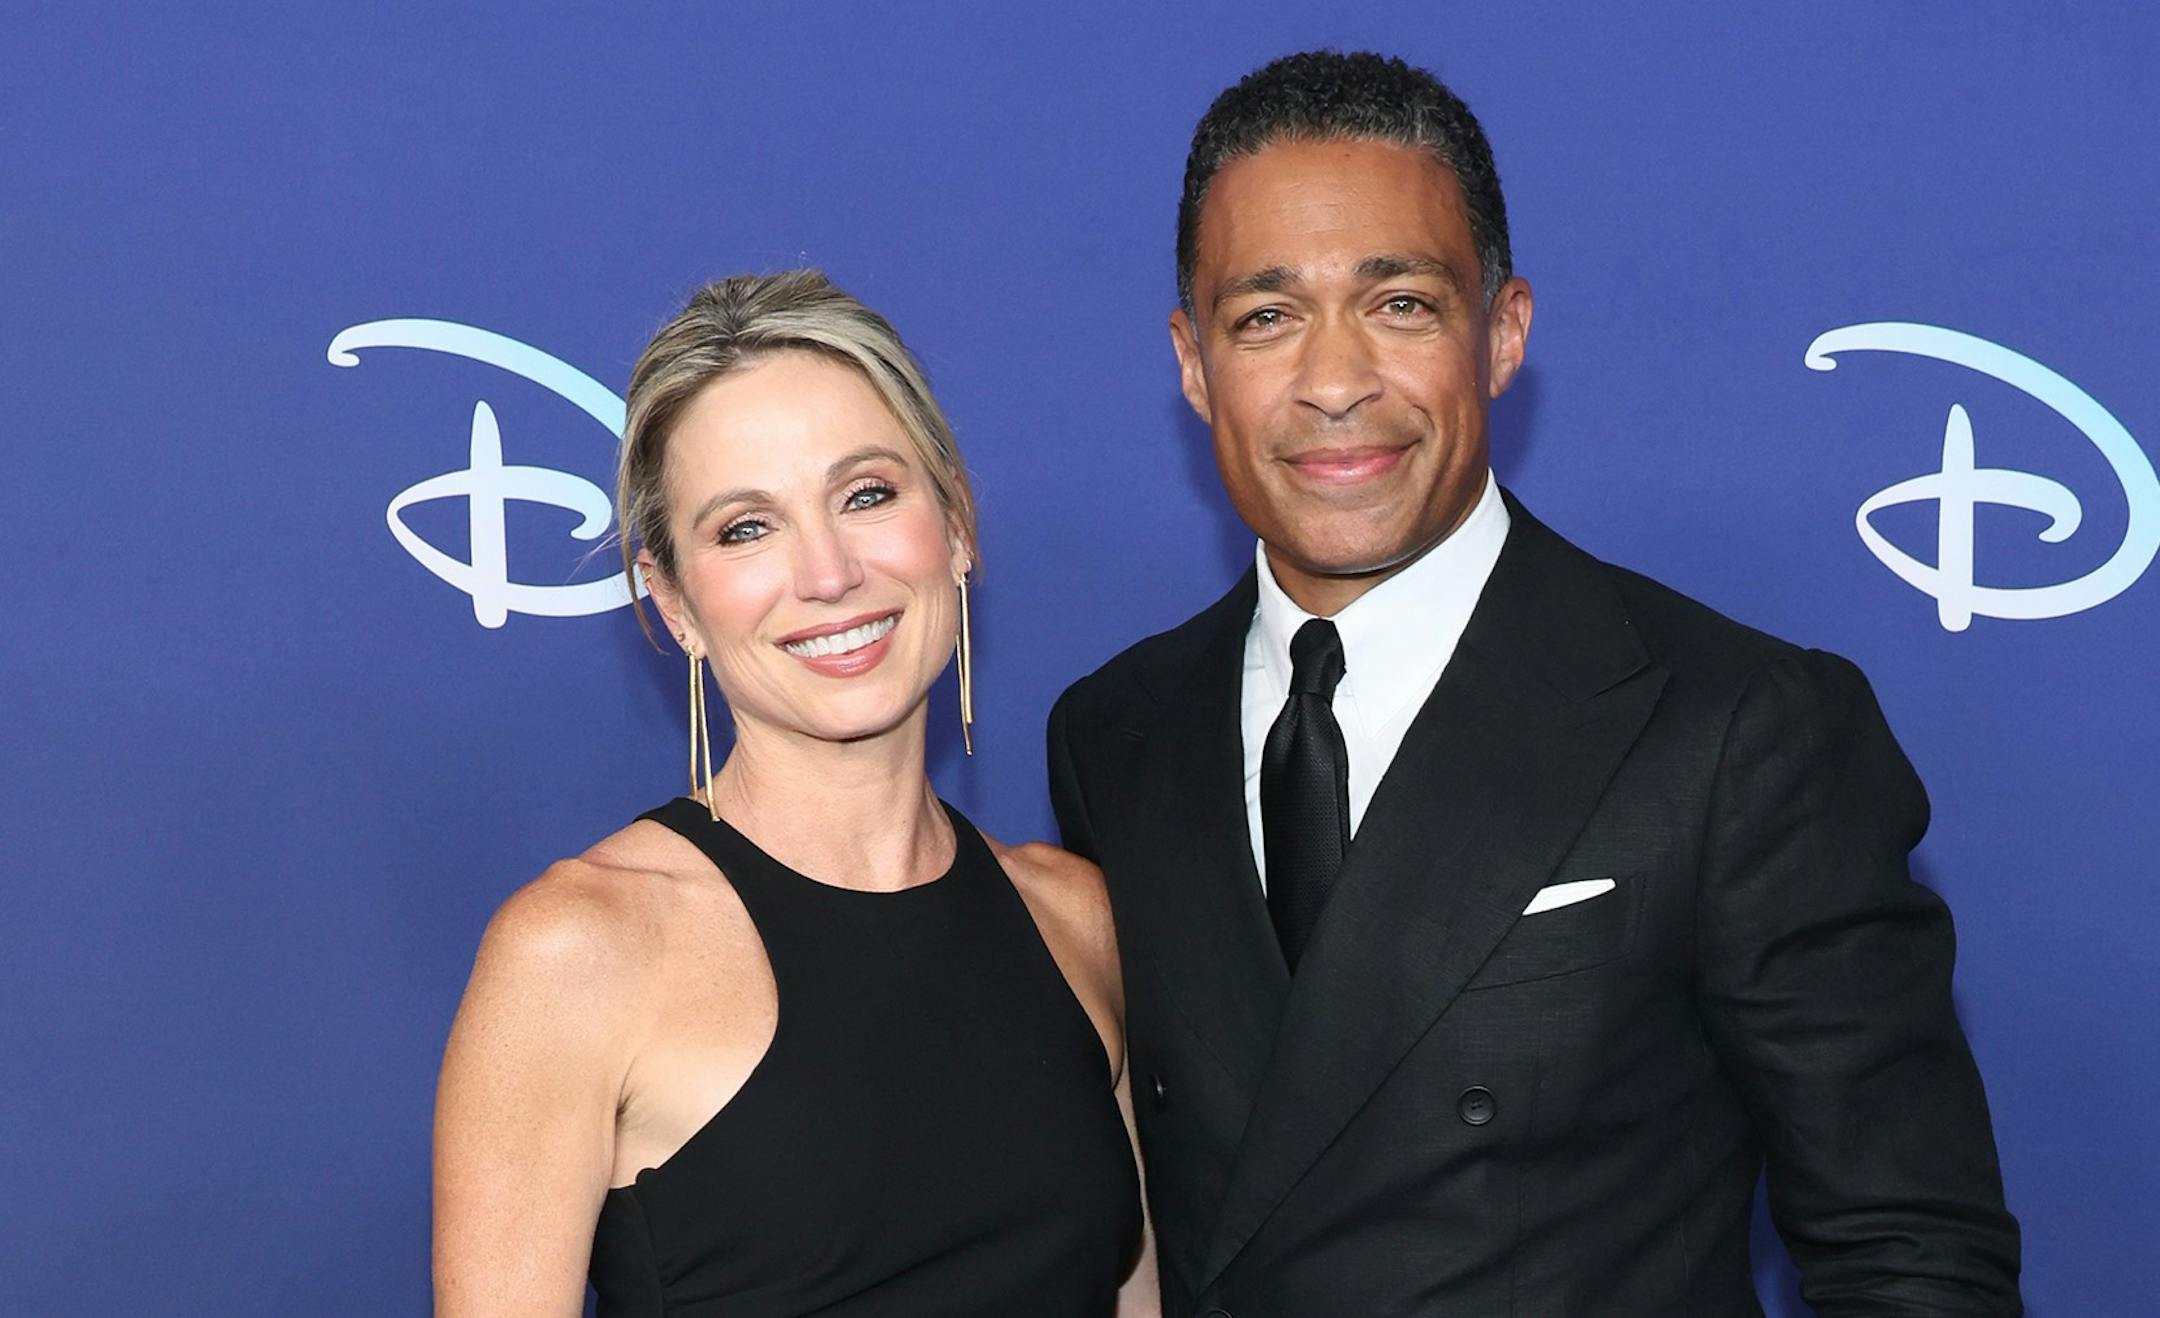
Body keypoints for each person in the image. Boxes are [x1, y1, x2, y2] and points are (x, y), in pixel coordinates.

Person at [1048, 51, 2021, 1317]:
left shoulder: (1740, 726)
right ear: (1192, 363)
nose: (1335, 380)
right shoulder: (1117, 733)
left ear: (1502, 334)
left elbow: (1913, 1259)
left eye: (1399, 303)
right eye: (1266, 316)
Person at [435, 270, 1154, 1317]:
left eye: (866, 494)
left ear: (953, 522)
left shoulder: (1075, 919)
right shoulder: (578, 951)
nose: (826, 573)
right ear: (674, 601)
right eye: (745, 528)